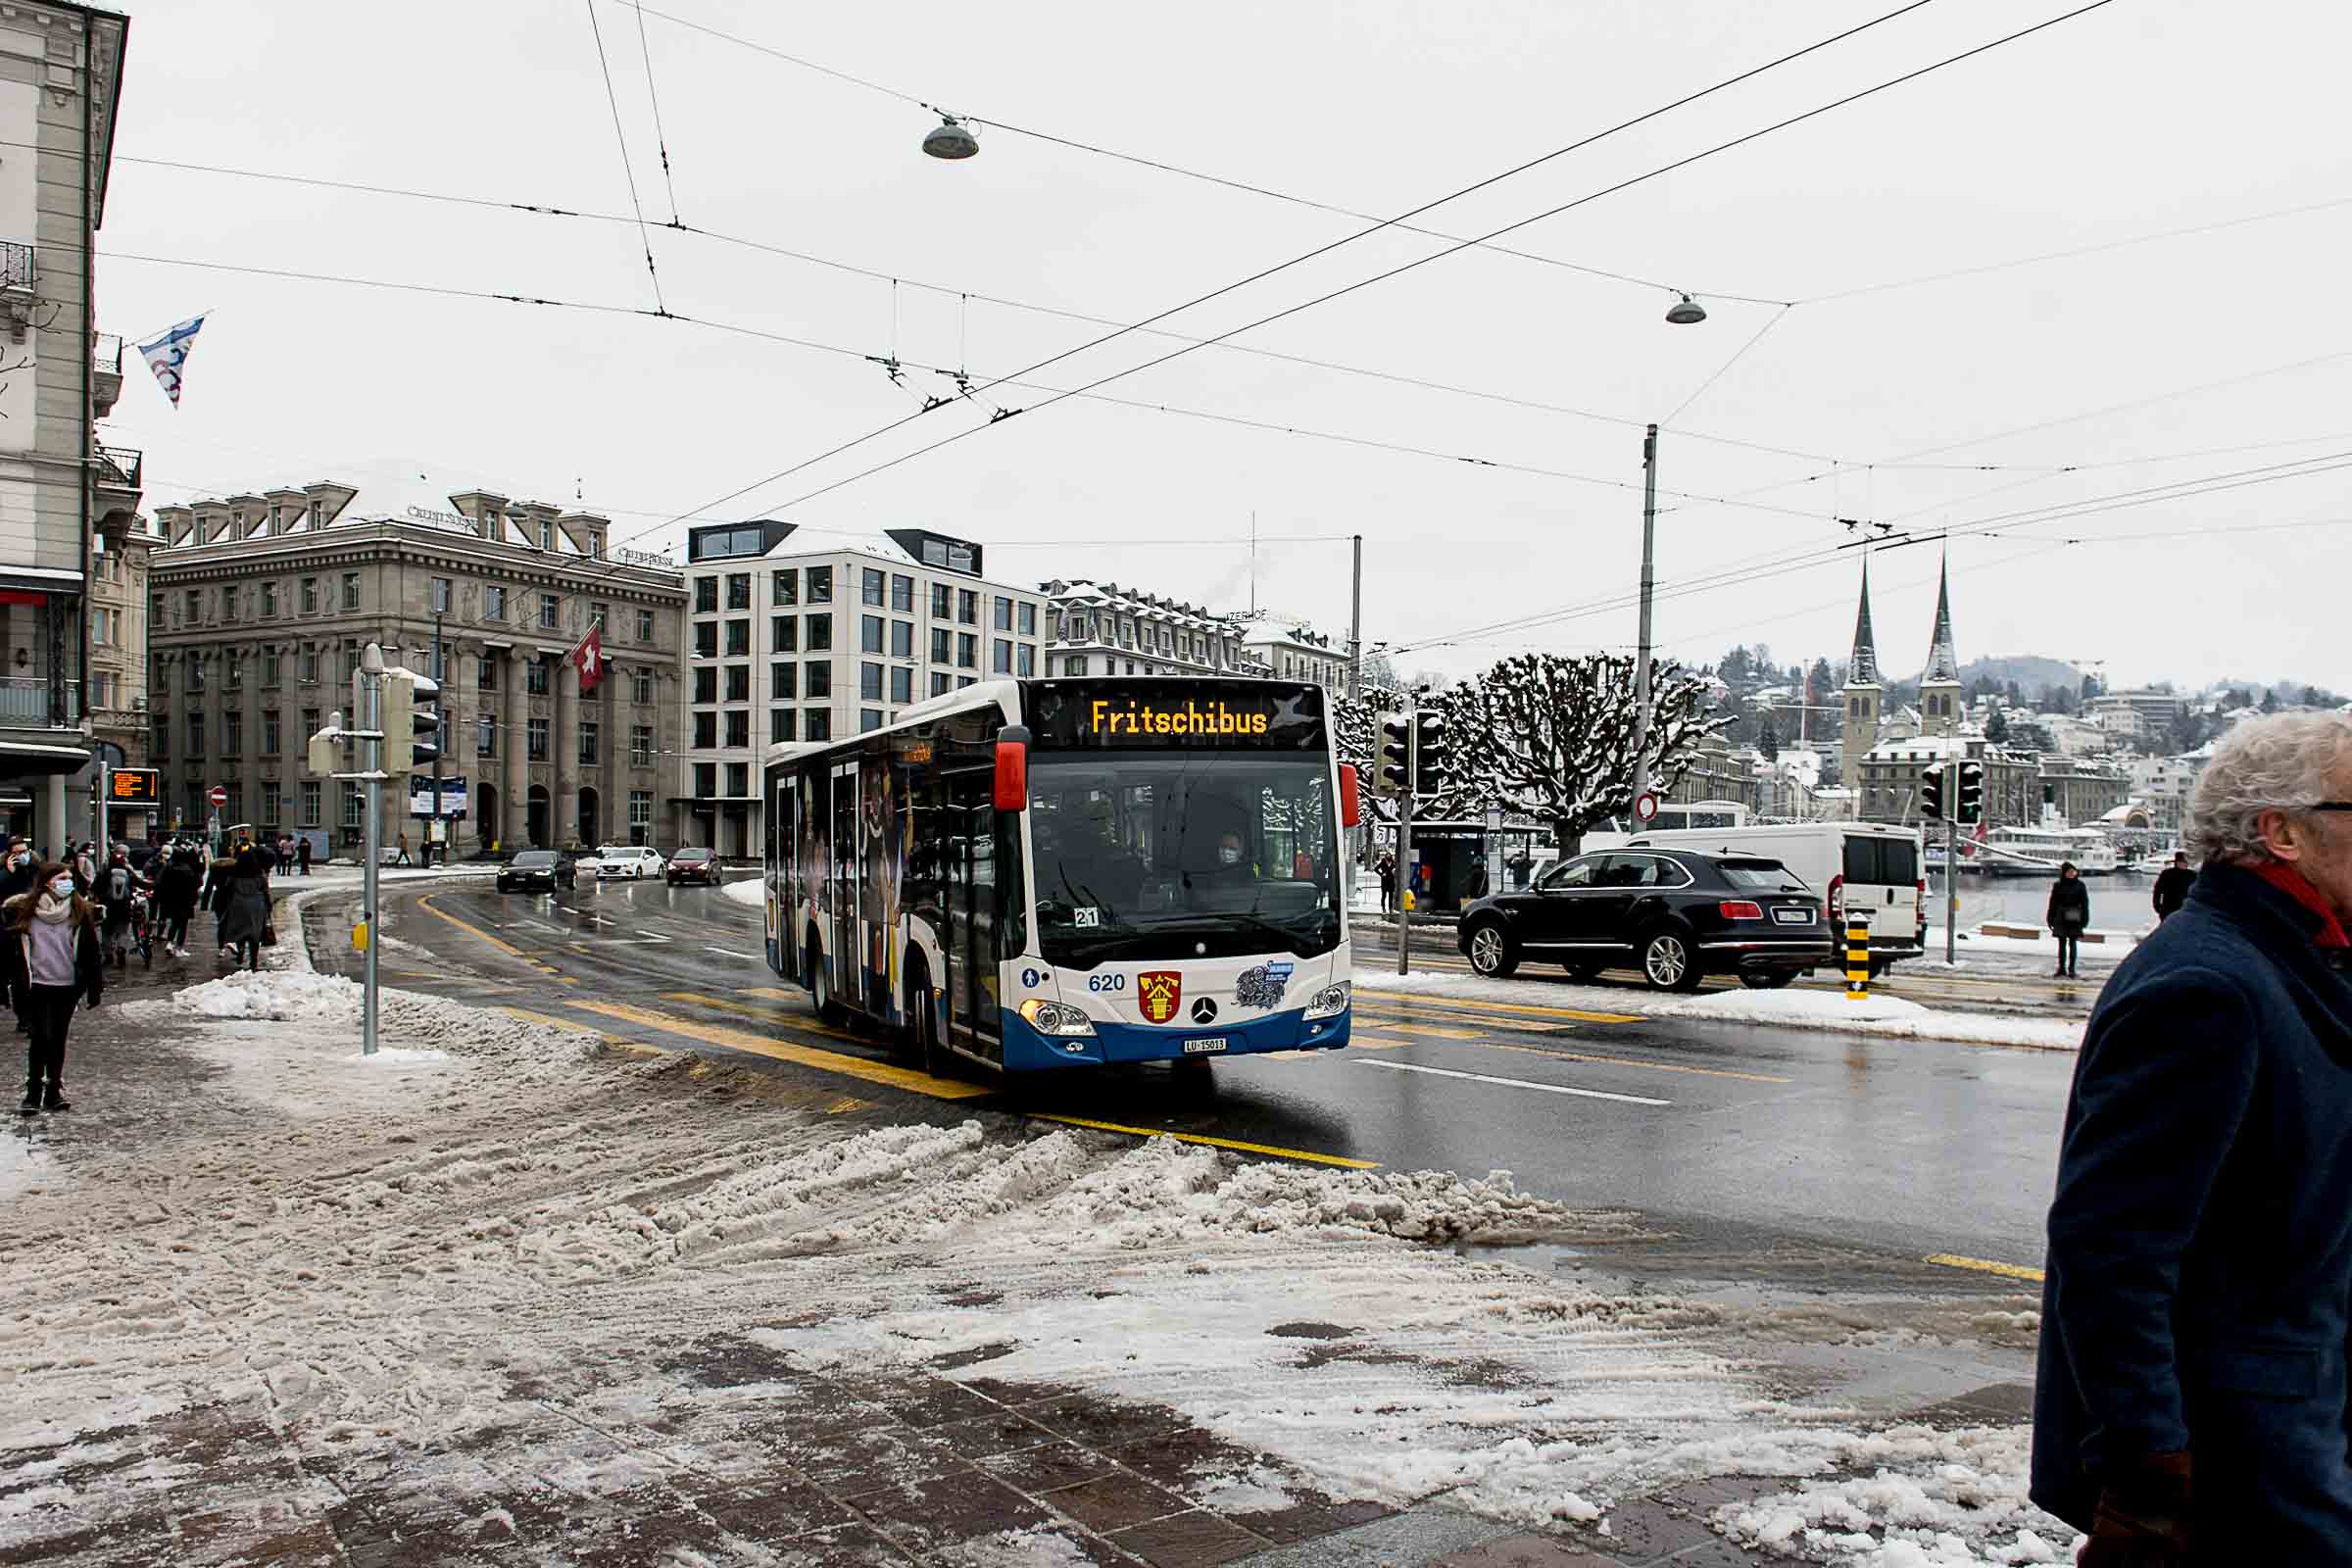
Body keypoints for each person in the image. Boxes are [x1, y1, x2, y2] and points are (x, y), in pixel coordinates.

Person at [2033, 711, 2352, 1562]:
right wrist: (2146, 1470)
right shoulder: (2208, 987)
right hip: (2243, 1456)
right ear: (2281, 833)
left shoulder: (2299, 962)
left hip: (2301, 1415)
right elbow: (2111, 1251)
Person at [2, 860, 103, 1114]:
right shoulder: (25, 911)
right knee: (40, 1038)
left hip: (67, 986)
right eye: (62, 877)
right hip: (36, 986)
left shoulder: (79, 911)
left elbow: (91, 952)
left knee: (57, 1039)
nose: (67, 882)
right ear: (47, 881)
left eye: (69, 878)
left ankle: (54, 1091)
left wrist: (94, 986)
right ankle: (33, 1092)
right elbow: (11, 953)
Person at [212, 832, 272, 971]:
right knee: (255, 934)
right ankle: (254, 961)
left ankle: (240, 952)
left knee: (241, 931)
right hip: (257, 906)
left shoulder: (235, 875)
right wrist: (268, 907)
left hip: (238, 905)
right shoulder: (259, 875)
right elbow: (265, 891)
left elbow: (228, 889)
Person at [95, 844, 147, 968]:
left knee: (106, 931)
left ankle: (108, 955)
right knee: (123, 930)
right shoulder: (128, 871)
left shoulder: (105, 871)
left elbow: (95, 887)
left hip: (106, 906)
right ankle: (121, 949)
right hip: (124, 906)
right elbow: (141, 883)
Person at [154, 843, 201, 958]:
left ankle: (170, 943)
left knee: (174, 923)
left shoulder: (168, 867)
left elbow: (159, 882)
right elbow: (196, 884)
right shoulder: (187, 869)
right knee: (183, 924)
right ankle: (179, 947)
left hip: (171, 900)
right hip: (185, 901)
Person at [2047, 860, 2090, 978]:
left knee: (2073, 943)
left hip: (2074, 915)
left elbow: (2085, 903)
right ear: (2064, 873)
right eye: (2069, 872)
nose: (2072, 874)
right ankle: (2061, 968)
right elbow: (2053, 903)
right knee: (2061, 943)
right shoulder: (2058, 885)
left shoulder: (2080, 885)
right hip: (2060, 916)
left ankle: (2072, 969)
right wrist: (2050, 918)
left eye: (2073, 872)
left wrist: (2085, 919)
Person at [2151, 851, 2193, 922]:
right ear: (2176, 862)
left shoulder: (2192, 875)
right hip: (2168, 909)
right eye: (2182, 862)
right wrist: (2157, 906)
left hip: (2186, 910)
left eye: (2186, 862)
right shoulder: (2167, 874)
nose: (2184, 864)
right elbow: (2157, 890)